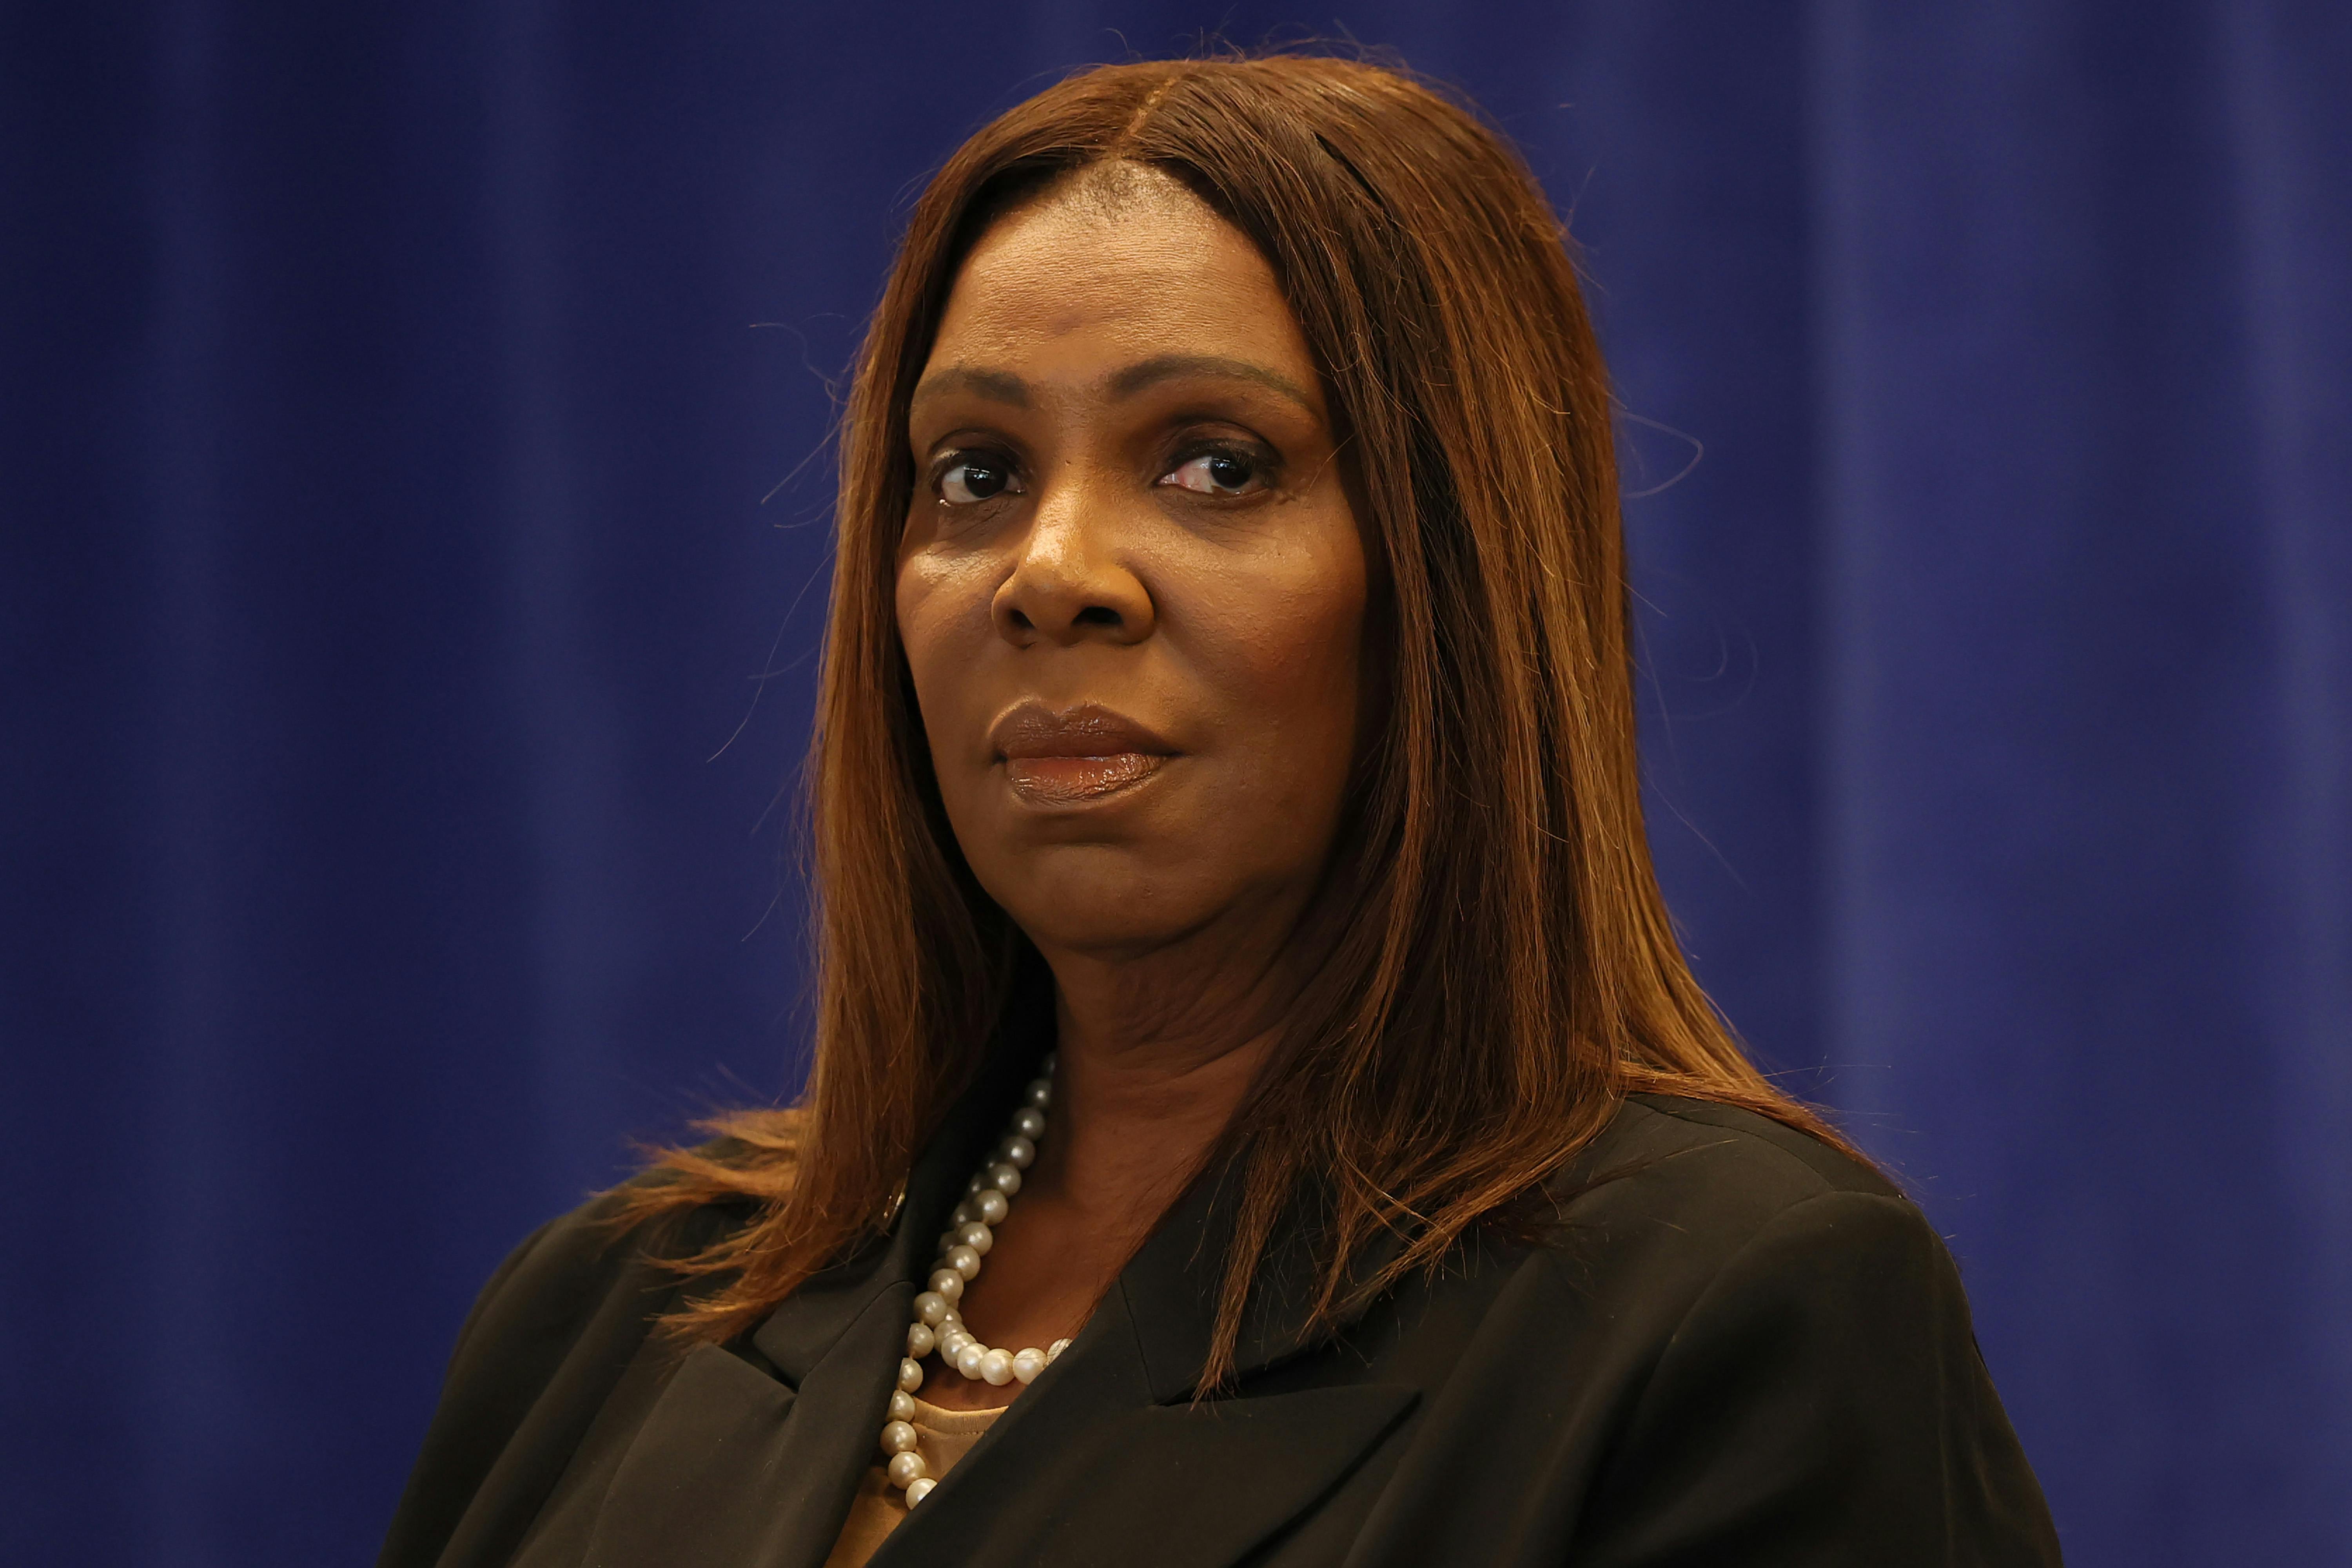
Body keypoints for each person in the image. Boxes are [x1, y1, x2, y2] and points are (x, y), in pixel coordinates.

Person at [379, 53, 2062, 1568]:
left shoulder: (1734, 1314)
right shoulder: (617, 1307)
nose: (1051, 575)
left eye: (1214, 464)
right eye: (973, 474)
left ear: (1451, 574)